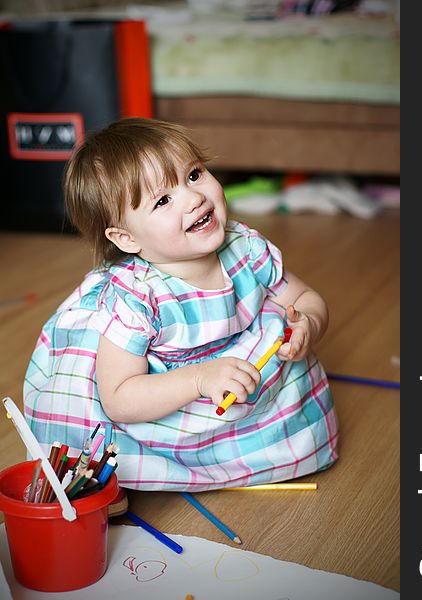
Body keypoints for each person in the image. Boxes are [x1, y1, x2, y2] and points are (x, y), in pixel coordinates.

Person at [24, 118, 338, 491]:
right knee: (102, 456)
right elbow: (120, 399)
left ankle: (268, 449)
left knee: (282, 337)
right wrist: (198, 378)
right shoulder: (136, 298)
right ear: (125, 238)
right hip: (164, 402)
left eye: (193, 175)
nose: (194, 198)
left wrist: (309, 325)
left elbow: (305, 299)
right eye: (163, 200)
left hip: (242, 376)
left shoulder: (245, 248)